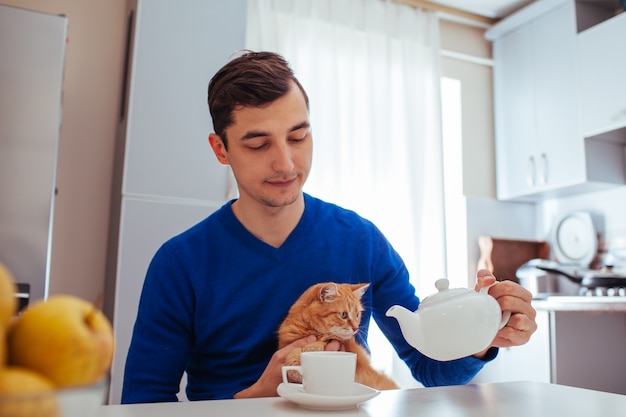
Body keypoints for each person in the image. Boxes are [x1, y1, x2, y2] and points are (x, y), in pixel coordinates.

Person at [121, 51, 537, 403]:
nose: (285, 163)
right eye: (258, 144)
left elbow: (431, 369)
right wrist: (257, 398)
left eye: (298, 137)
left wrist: (481, 336)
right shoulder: (180, 263)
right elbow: (143, 406)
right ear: (221, 149)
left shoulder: (361, 241)